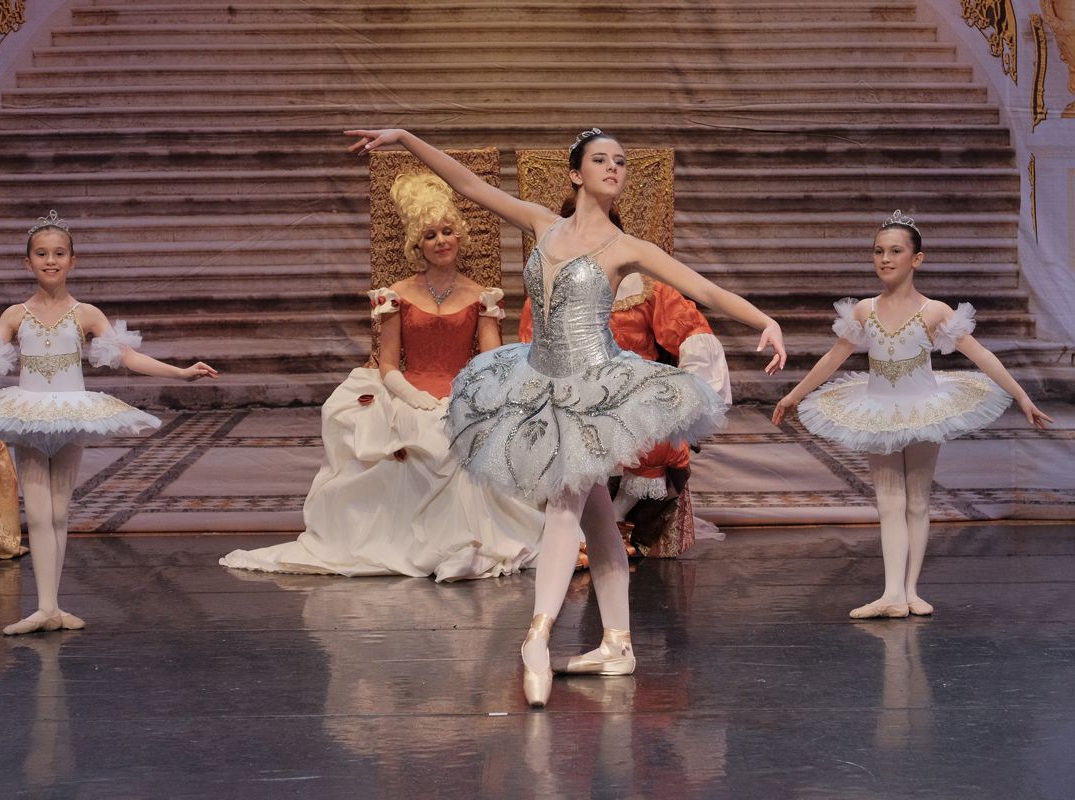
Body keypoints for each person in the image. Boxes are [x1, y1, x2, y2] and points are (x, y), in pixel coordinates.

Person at [346, 127, 786, 707]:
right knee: (598, 520)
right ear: (576, 174)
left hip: (594, 387)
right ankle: (617, 644)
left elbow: (704, 289)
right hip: (539, 379)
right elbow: (469, 185)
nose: (614, 168)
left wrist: (765, 321)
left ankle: (537, 636)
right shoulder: (541, 224)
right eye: (601, 160)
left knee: (564, 503)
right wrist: (407, 138)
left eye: (621, 161)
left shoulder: (627, 248)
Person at [0, 210, 218, 635]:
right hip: (29, 416)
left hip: (70, 415)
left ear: (72, 261)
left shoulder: (86, 314)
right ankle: (44, 608)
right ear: (28, 262)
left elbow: (129, 357)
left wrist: (181, 373)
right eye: (41, 254)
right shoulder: (15, 315)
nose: (50, 260)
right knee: (39, 515)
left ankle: (52, 608)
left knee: (59, 514)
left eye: (59, 253)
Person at [219, 173, 544, 581]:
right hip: (407, 393)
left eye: (447, 231)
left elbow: (490, 360)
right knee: (420, 441)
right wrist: (410, 395)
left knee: (463, 439)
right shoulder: (397, 295)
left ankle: (468, 545)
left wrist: (472, 397)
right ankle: (427, 546)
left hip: (461, 395)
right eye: (430, 235)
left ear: (460, 236)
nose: (441, 241)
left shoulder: (482, 296)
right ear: (417, 245)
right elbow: (388, 363)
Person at [772, 210, 1051, 619]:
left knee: (917, 500)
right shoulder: (864, 310)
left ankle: (909, 591)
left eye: (895, 251)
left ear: (916, 259)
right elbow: (833, 359)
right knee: (889, 501)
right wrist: (793, 395)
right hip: (878, 410)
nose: (885, 259)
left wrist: (1022, 397)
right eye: (878, 251)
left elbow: (982, 355)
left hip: (923, 408)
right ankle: (891, 594)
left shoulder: (934, 311)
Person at [520, 272, 732, 557]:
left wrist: (686, 391)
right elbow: (532, 348)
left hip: (634, 392)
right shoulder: (551, 293)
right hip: (575, 391)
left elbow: (691, 329)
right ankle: (579, 527)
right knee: (567, 439)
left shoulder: (644, 290)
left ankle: (617, 519)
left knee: (653, 440)